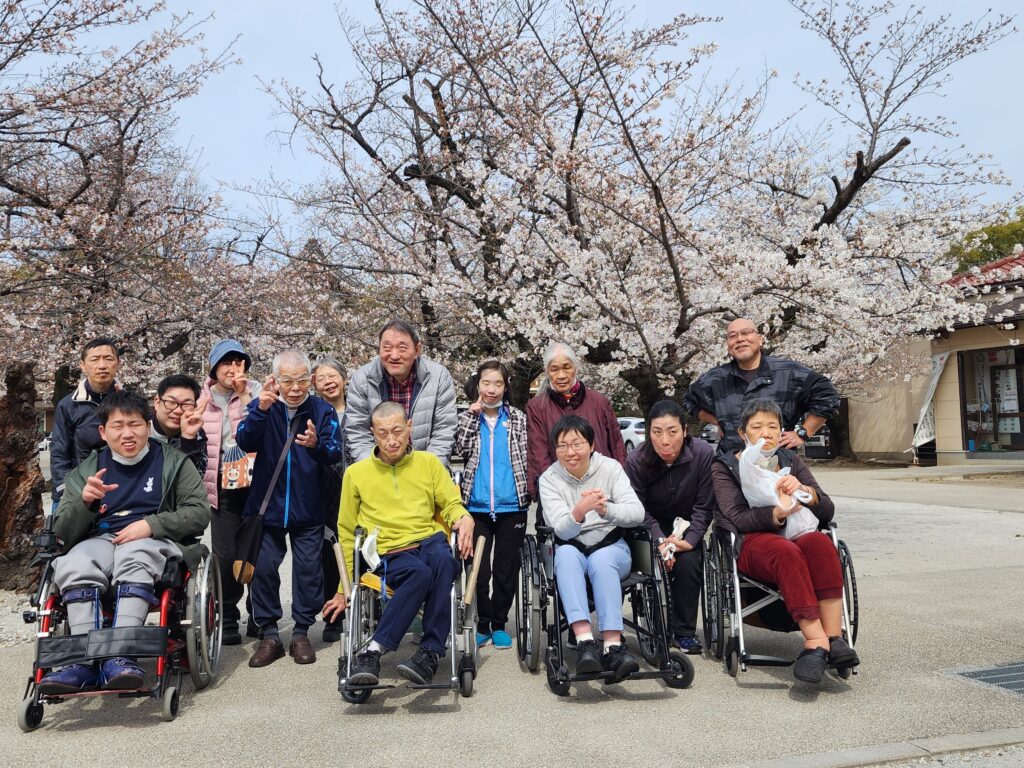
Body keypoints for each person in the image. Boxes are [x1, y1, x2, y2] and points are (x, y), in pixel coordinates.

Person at [37, 390, 210, 694]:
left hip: (155, 540)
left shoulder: (173, 462)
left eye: (135, 424)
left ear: (148, 424)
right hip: (102, 537)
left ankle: (120, 655)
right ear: (103, 432)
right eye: (118, 426)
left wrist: (151, 524)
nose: (127, 434)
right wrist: (84, 501)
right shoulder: (87, 471)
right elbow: (62, 532)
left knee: (135, 555)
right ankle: (82, 661)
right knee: (75, 562)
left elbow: (198, 513)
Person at [324, 401, 474, 685]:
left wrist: (463, 517)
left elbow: (451, 502)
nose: (391, 440)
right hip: (388, 549)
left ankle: (429, 651)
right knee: (420, 574)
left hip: (428, 540)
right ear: (372, 433)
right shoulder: (356, 473)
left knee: (446, 561)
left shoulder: (429, 463)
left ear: (409, 428)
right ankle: (373, 650)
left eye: (397, 431)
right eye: (383, 433)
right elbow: (346, 532)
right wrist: (344, 588)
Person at [711, 398, 860, 684]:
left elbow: (826, 509)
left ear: (782, 432)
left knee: (820, 543)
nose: (766, 433)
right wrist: (777, 513)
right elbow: (737, 517)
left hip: (797, 535)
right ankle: (815, 642)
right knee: (785, 551)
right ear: (743, 433)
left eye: (773, 426)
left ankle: (834, 637)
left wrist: (806, 492)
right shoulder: (726, 467)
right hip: (754, 542)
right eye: (757, 427)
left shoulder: (791, 460)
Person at [237, 349, 342, 668]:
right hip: (267, 507)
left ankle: (300, 633)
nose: (295, 387)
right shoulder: (263, 405)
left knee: (309, 571)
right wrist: (260, 410)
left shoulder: (322, 410)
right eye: (287, 381)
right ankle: (269, 634)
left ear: (309, 380)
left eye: (300, 380)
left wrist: (316, 445)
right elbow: (244, 441)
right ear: (276, 380)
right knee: (265, 569)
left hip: (309, 506)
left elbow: (334, 452)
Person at [539, 414, 645, 682]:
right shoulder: (549, 478)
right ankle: (585, 640)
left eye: (577, 444)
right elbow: (560, 528)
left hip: (610, 543)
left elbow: (636, 512)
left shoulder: (610, 468)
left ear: (591, 445)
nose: (570, 452)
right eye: (562, 446)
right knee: (563, 557)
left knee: (602, 562)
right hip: (571, 544)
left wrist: (606, 509)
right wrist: (579, 512)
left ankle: (612, 644)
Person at [624, 400, 715, 655]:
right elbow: (637, 508)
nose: (665, 440)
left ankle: (684, 632)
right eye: (657, 432)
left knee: (689, 563)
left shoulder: (702, 454)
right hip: (647, 527)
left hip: (686, 526)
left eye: (672, 431)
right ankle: (654, 624)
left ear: (685, 431)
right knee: (648, 564)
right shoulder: (637, 460)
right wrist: (659, 540)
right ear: (648, 432)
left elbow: (704, 504)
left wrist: (693, 537)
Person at [453, 360, 529, 649]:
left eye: (498, 383)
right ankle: (483, 622)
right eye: (487, 383)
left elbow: (526, 456)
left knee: (506, 569)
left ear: (506, 386)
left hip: (513, 506)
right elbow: (460, 449)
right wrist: (472, 417)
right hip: (476, 507)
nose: (492, 389)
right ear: (478, 385)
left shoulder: (519, 418)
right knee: (478, 569)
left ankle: (499, 623)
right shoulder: (466, 418)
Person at [683, 317, 840, 454]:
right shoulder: (715, 378)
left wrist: (803, 433)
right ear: (728, 345)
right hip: (730, 467)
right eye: (733, 336)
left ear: (760, 339)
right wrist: (717, 421)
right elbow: (689, 401)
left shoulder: (788, 372)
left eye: (746, 333)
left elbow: (827, 396)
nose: (739, 339)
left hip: (777, 465)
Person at [199, 339, 261, 645]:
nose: (233, 369)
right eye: (226, 363)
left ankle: (259, 611)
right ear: (214, 368)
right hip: (220, 485)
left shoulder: (256, 392)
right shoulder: (203, 399)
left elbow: (262, 427)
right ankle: (228, 614)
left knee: (257, 550)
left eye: (239, 363)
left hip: (253, 482)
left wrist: (245, 394)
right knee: (225, 555)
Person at [345, 319, 457, 466]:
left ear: (417, 350)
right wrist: (374, 471)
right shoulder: (362, 379)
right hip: (379, 470)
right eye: (387, 348)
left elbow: (444, 429)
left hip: (424, 470)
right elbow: (357, 431)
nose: (394, 355)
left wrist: (427, 471)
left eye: (402, 348)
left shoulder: (438, 376)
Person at [526, 341, 626, 506]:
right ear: (546, 372)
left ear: (576, 367)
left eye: (567, 367)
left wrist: (621, 483)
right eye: (554, 369)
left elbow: (616, 446)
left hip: (602, 491)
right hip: (560, 495)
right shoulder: (537, 407)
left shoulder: (600, 402)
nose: (561, 375)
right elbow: (538, 454)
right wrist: (551, 491)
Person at [50, 337, 122, 505]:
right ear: (83, 365)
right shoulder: (68, 405)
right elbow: (60, 453)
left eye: (109, 359)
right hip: (79, 488)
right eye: (95, 359)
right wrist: (64, 491)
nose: (102, 365)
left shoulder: (129, 402)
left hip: (120, 486)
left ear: (118, 363)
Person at [312, 357, 349, 643]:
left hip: (355, 487)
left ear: (345, 379)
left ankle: (362, 609)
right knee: (328, 554)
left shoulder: (360, 411)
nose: (328, 381)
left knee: (358, 550)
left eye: (333, 375)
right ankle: (332, 618)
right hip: (324, 490)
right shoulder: (313, 414)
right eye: (321, 377)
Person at [151, 374, 208, 475]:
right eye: (171, 402)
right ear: (157, 403)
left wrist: (188, 438)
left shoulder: (197, 433)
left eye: (187, 405)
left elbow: (195, 478)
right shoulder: (141, 426)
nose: (178, 411)